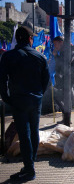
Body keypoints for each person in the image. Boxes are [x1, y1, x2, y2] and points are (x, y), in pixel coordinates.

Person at [0, 26, 50, 181]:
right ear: (30, 39)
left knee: (24, 134)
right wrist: (39, 94)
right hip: (35, 100)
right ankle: (30, 165)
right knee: (33, 132)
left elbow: (2, 81)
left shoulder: (8, 56)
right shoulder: (40, 56)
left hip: (19, 100)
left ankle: (29, 169)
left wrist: (7, 98)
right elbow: (46, 80)